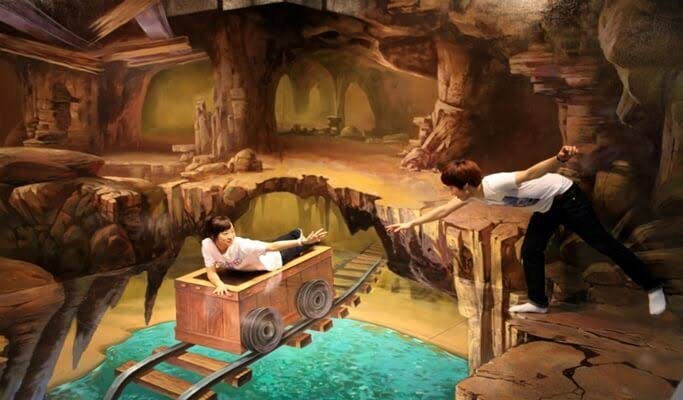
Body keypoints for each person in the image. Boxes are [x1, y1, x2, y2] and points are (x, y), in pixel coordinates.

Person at [387, 145, 666, 315]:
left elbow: (531, 173)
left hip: (567, 198)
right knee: (531, 251)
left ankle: (653, 287)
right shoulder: (471, 195)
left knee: (604, 244)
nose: (451, 192)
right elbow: (443, 210)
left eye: (452, 188)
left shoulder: (495, 184)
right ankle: (538, 303)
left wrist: (559, 158)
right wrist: (411, 223)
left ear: (467, 186)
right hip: (546, 207)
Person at [201, 216, 328, 295]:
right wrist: (219, 284)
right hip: (253, 261)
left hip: (273, 259)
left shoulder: (242, 245)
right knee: (274, 242)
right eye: (225, 234)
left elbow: (272, 247)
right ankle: (295, 233)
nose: (231, 236)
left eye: (232, 231)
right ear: (213, 236)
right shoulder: (207, 245)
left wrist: (303, 242)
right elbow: (211, 272)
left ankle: (299, 236)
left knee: (296, 249)